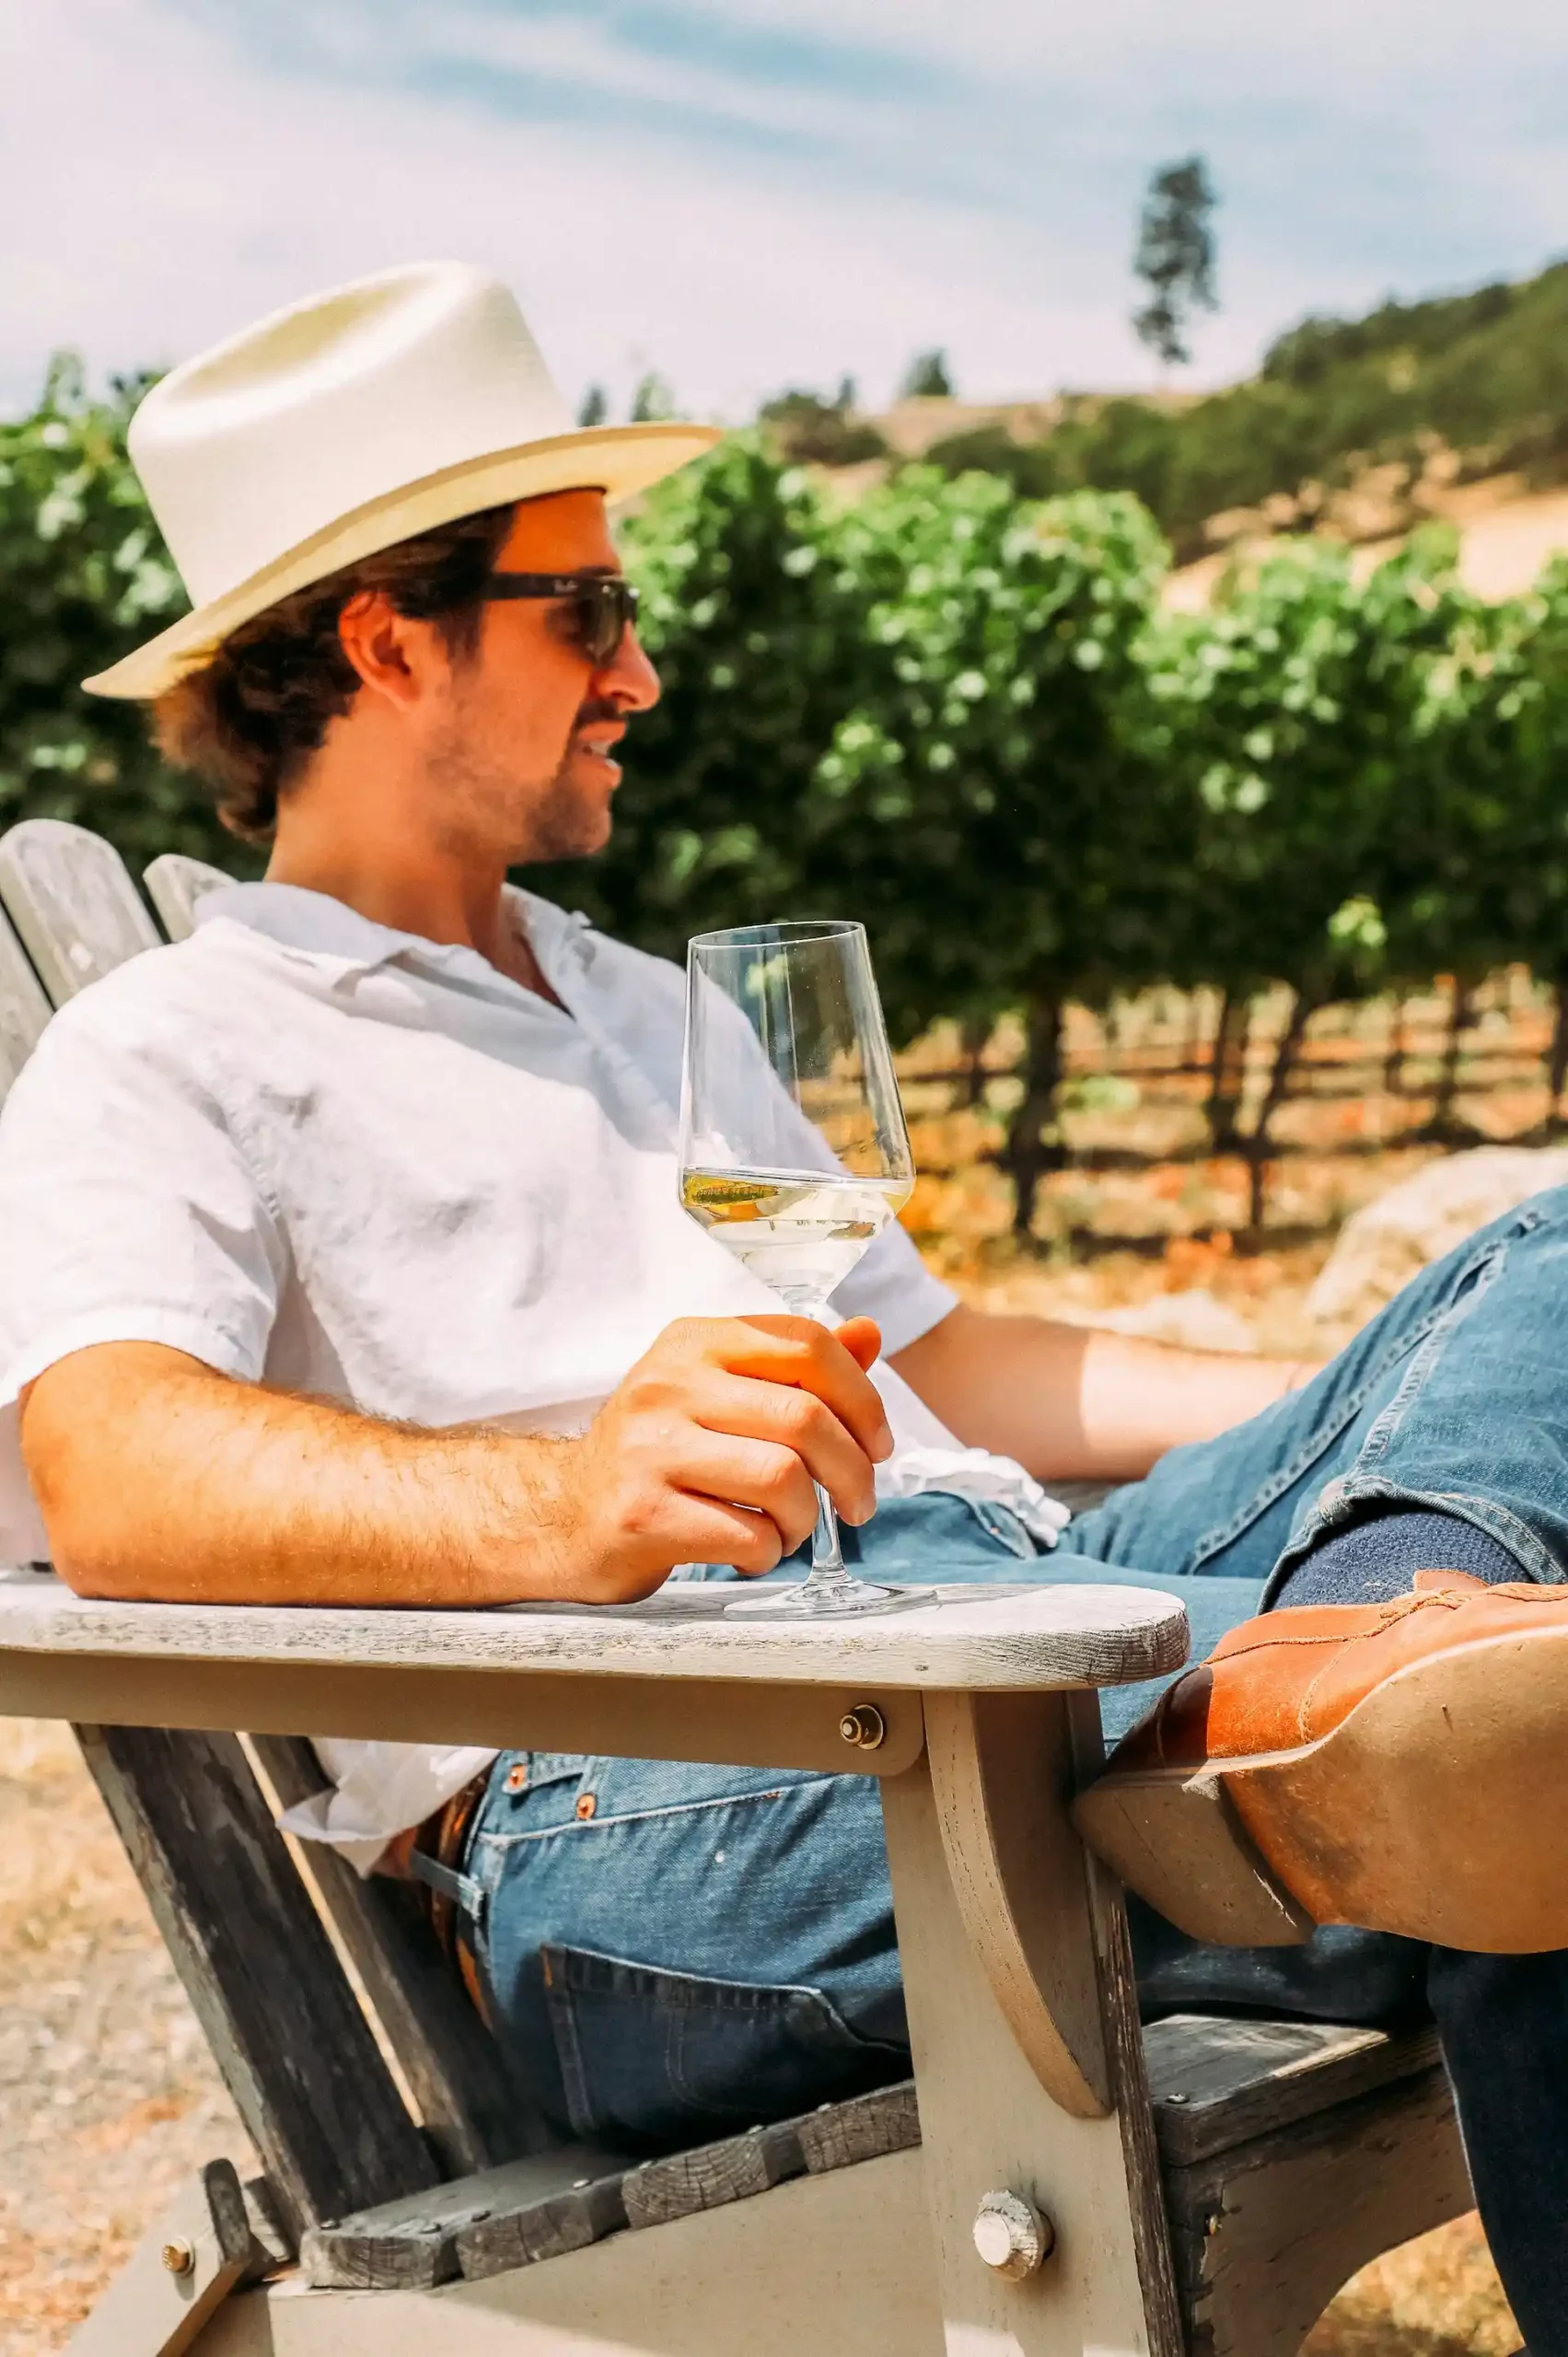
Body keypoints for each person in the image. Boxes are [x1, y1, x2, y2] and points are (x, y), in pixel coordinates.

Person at [0, 262, 1558, 2348]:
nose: (639, 669)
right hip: (647, 1779)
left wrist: (1390, 1393)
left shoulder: (652, 1006)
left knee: (1542, 1266)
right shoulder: (177, 1044)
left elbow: (924, 1356)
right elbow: (103, 1460)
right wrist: (569, 1499)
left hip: (1010, 1601)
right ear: (389, 639)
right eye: (587, 609)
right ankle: (1407, 1705)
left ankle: (1418, 1656)